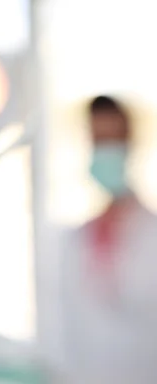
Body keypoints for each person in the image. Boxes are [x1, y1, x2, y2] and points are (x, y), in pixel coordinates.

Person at [58, 95, 157, 383]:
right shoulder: (77, 238)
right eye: (97, 139)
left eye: (112, 139)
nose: (104, 151)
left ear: (130, 145)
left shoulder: (150, 233)